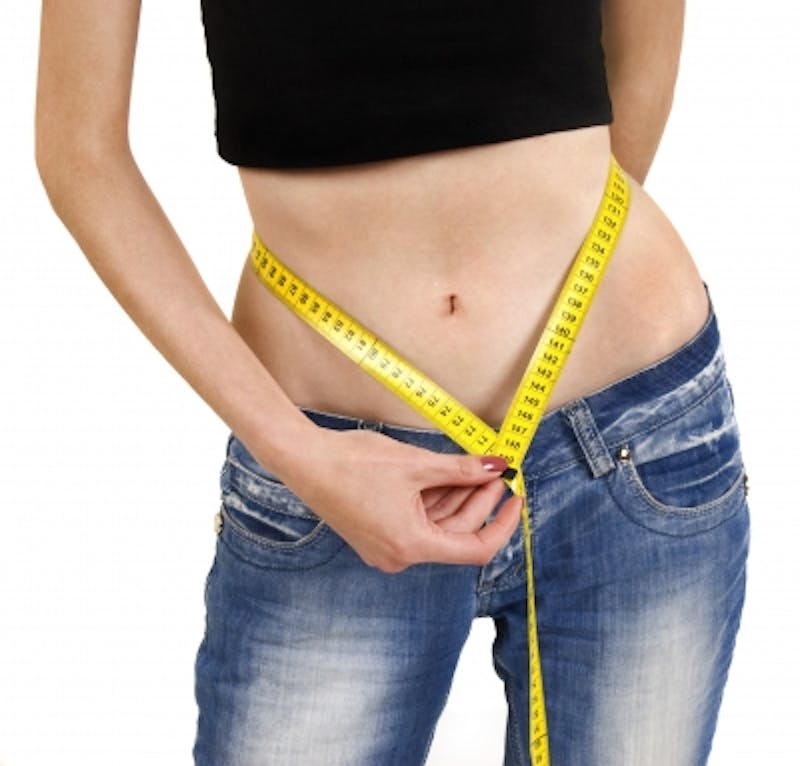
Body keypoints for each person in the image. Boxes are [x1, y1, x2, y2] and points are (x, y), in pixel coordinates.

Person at [35, 1, 749, 764]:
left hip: (630, 432)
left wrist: (528, 275)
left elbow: (647, 44)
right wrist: (304, 458)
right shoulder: (319, 466)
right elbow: (80, 153)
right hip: (332, 472)